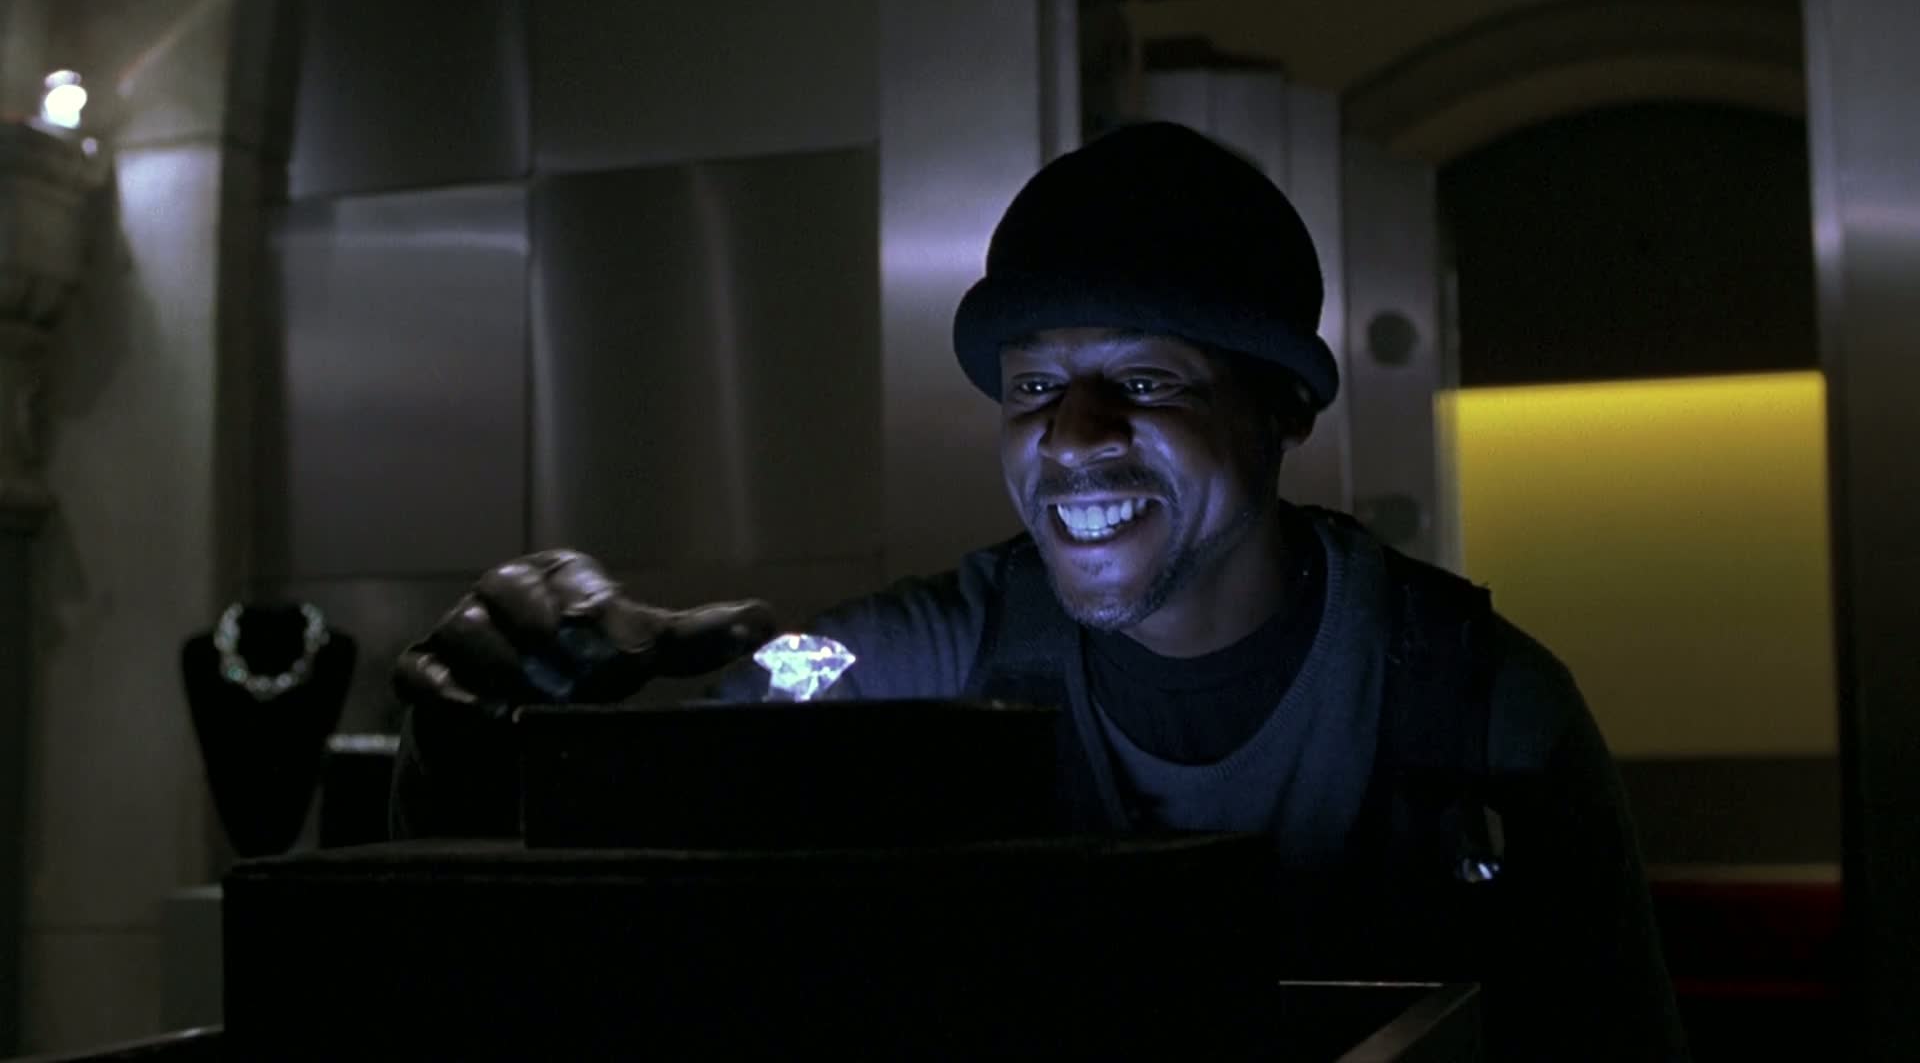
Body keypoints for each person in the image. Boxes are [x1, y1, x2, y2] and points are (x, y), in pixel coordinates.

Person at [390, 121, 1687, 1060]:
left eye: (1147, 380)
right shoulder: (940, 658)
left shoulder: (1483, 711)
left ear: (1283, 406)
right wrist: (515, 718)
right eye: (1033, 387)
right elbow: (706, 746)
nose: (1072, 437)